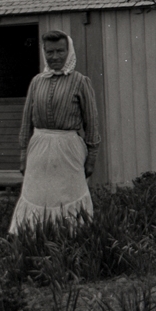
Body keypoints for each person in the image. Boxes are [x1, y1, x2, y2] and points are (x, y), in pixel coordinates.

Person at [8, 29, 100, 233]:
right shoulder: (37, 82)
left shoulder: (80, 81)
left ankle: (70, 240)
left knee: (68, 197)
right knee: (37, 195)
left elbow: (92, 122)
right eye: (50, 52)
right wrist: (23, 154)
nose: (55, 57)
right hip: (39, 149)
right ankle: (35, 241)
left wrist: (92, 157)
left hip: (68, 149)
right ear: (44, 53)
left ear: (69, 51)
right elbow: (26, 121)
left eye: (60, 51)